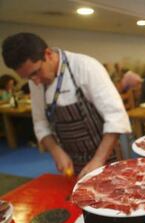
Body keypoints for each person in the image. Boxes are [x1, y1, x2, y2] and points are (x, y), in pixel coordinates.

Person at [2, 33, 131, 178]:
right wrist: (56, 151)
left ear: (48, 54)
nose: (35, 82)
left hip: (106, 156)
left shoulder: (85, 66)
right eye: (28, 78)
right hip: (73, 160)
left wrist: (98, 160)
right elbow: (40, 123)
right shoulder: (35, 80)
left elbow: (116, 117)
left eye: (36, 72)